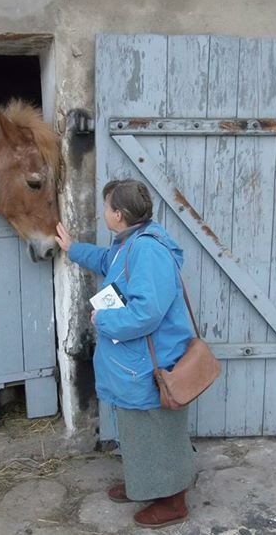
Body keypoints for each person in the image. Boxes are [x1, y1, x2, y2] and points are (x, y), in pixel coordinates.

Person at [55, 178, 197, 529]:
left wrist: (103, 320)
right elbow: (107, 261)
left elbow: (147, 313)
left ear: (118, 214)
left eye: (106, 207)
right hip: (137, 362)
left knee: (156, 428)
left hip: (151, 363)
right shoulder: (128, 243)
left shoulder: (147, 250)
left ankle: (173, 500)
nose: (104, 212)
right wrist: (73, 248)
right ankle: (144, 483)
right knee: (137, 429)